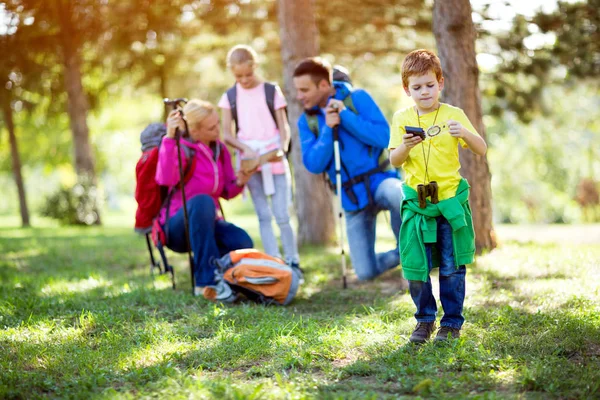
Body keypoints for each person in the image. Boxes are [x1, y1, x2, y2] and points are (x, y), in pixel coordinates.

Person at [389, 49, 487, 343]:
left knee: (451, 267)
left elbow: (481, 149)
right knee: (416, 267)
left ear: (440, 83)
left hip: (448, 205)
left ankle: (452, 324)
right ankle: (424, 320)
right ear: (407, 89)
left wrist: (465, 133)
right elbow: (394, 160)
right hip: (418, 206)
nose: (424, 92)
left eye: (430, 85)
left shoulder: (453, 115)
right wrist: (406, 146)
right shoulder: (402, 118)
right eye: (417, 87)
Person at [293, 57, 403, 281]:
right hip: (351, 196)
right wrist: (327, 128)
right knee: (365, 273)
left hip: (380, 180)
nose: (299, 96)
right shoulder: (307, 122)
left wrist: (345, 115)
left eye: (304, 89)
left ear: (324, 85)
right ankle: (409, 255)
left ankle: (413, 251)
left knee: (398, 193)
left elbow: (384, 137)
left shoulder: (358, 99)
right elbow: (313, 164)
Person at [157, 99, 254, 297]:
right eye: (212, 128)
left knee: (242, 241)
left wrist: (241, 181)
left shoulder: (219, 150)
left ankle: (210, 267)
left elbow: (226, 191)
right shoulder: (180, 147)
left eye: (217, 123)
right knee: (203, 201)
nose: (218, 131)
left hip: (207, 224)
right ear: (195, 130)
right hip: (176, 228)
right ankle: (205, 283)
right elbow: (164, 178)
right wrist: (169, 138)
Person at [218, 44, 301, 270]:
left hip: (273, 158)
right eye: (238, 76)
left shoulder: (271, 91)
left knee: (282, 214)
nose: (244, 80)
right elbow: (227, 134)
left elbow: (283, 126)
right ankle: (273, 261)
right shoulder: (229, 97)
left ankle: (293, 261)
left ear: (255, 66)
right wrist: (247, 149)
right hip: (250, 162)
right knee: (264, 215)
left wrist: (282, 149)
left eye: (248, 74)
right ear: (231, 72)